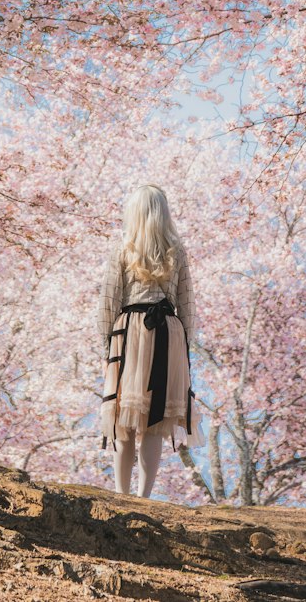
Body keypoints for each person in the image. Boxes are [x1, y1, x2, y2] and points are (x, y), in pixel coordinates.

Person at [98, 183, 200, 497]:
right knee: (155, 421)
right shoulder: (177, 250)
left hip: (130, 333)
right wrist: (185, 346)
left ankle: (121, 493)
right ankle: (144, 496)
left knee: (124, 418)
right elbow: (187, 303)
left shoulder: (122, 248)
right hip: (168, 334)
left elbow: (109, 301)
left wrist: (106, 344)